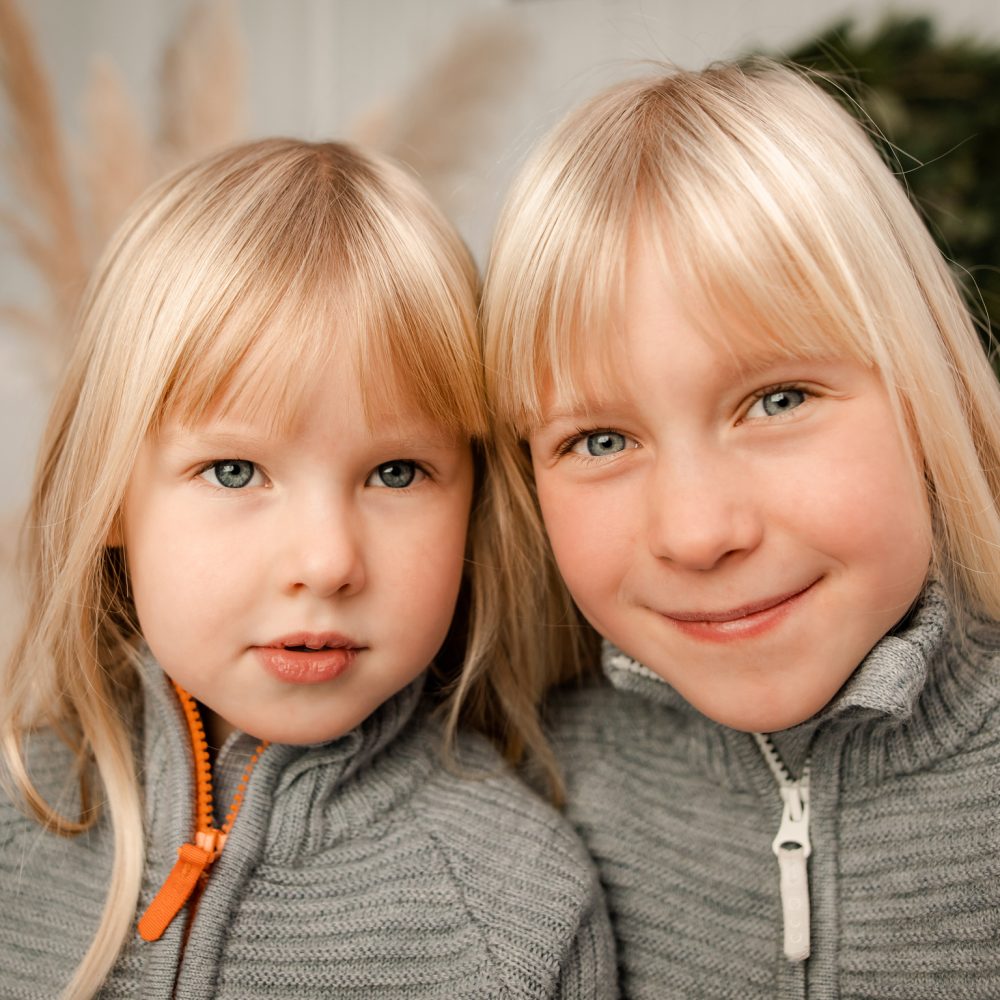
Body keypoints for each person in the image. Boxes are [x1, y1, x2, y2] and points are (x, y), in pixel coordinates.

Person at [0, 138, 615, 1000]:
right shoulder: (13, 827)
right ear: (107, 495)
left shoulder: (515, 909)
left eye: (395, 473)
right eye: (235, 471)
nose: (328, 563)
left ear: (474, 507)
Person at [479, 59, 1000, 999]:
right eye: (599, 439)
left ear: (929, 391)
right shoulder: (516, 800)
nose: (696, 532)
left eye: (777, 399)